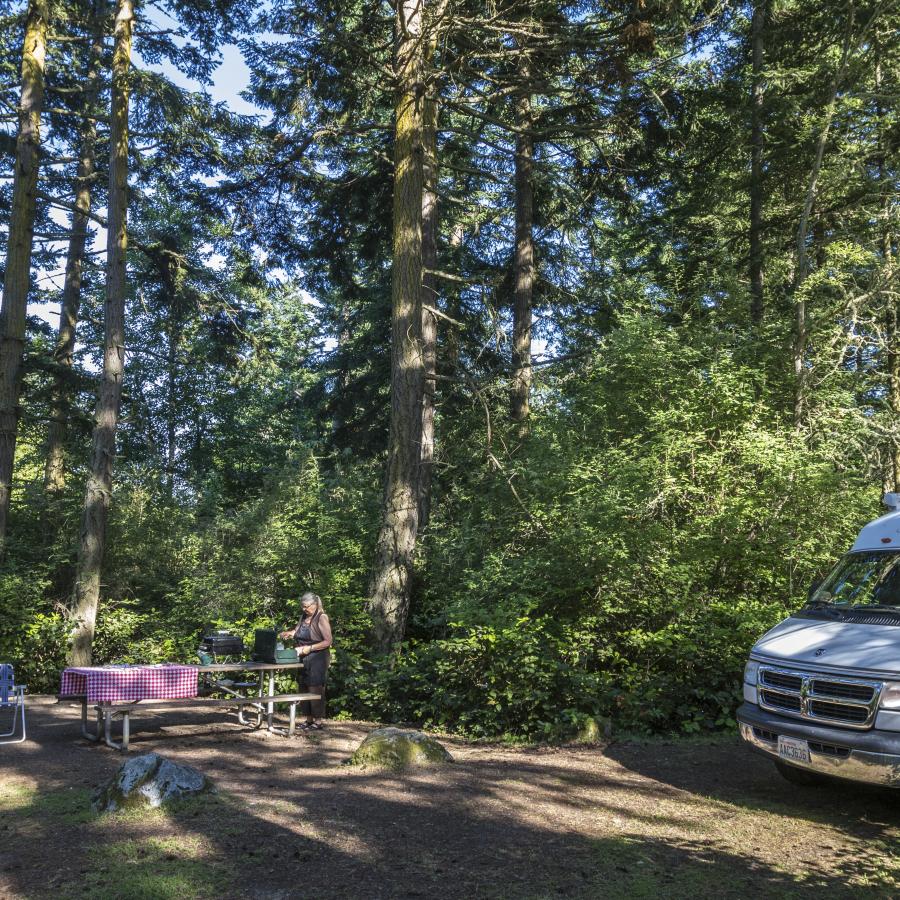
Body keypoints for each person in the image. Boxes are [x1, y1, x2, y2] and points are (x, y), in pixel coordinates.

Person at [279, 592, 332, 730]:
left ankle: (318, 721)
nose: (304, 609)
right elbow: (297, 631)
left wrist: (310, 648)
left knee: (315, 688)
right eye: (302, 607)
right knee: (303, 686)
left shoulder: (322, 617)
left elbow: (328, 641)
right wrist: (288, 633)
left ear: (314, 605)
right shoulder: (303, 616)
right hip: (302, 656)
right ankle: (308, 720)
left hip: (318, 658)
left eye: (306, 606)